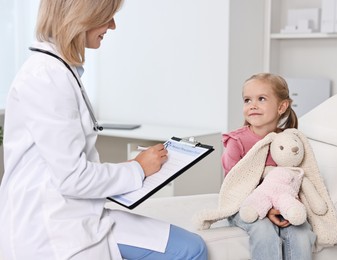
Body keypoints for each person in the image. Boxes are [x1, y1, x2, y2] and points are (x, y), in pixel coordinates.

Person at [0, 0, 208, 259]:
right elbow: (72, 178)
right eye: (106, 17)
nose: (112, 25)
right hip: (51, 228)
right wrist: (138, 168)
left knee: (189, 245)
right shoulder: (47, 77)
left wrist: (133, 167)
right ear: (81, 17)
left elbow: (67, 164)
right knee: (191, 249)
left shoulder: (58, 70)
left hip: (69, 212)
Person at [222, 73, 316, 260]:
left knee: (302, 233)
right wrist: (266, 210)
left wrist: (287, 207)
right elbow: (233, 188)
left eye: (261, 99)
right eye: (247, 100)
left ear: (282, 106)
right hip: (244, 204)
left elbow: (298, 177)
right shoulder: (237, 142)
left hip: (282, 204)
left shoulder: (289, 142)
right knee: (264, 231)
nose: (252, 105)